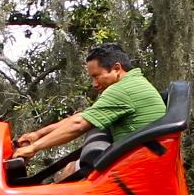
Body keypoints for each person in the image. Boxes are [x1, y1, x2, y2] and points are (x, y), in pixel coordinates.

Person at [13, 43, 166, 161]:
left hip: (139, 163)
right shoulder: (134, 83)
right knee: (73, 166)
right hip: (140, 158)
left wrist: (34, 148)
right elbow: (81, 117)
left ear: (116, 69)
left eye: (96, 76)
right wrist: (37, 135)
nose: (94, 84)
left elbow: (79, 125)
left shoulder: (123, 90)